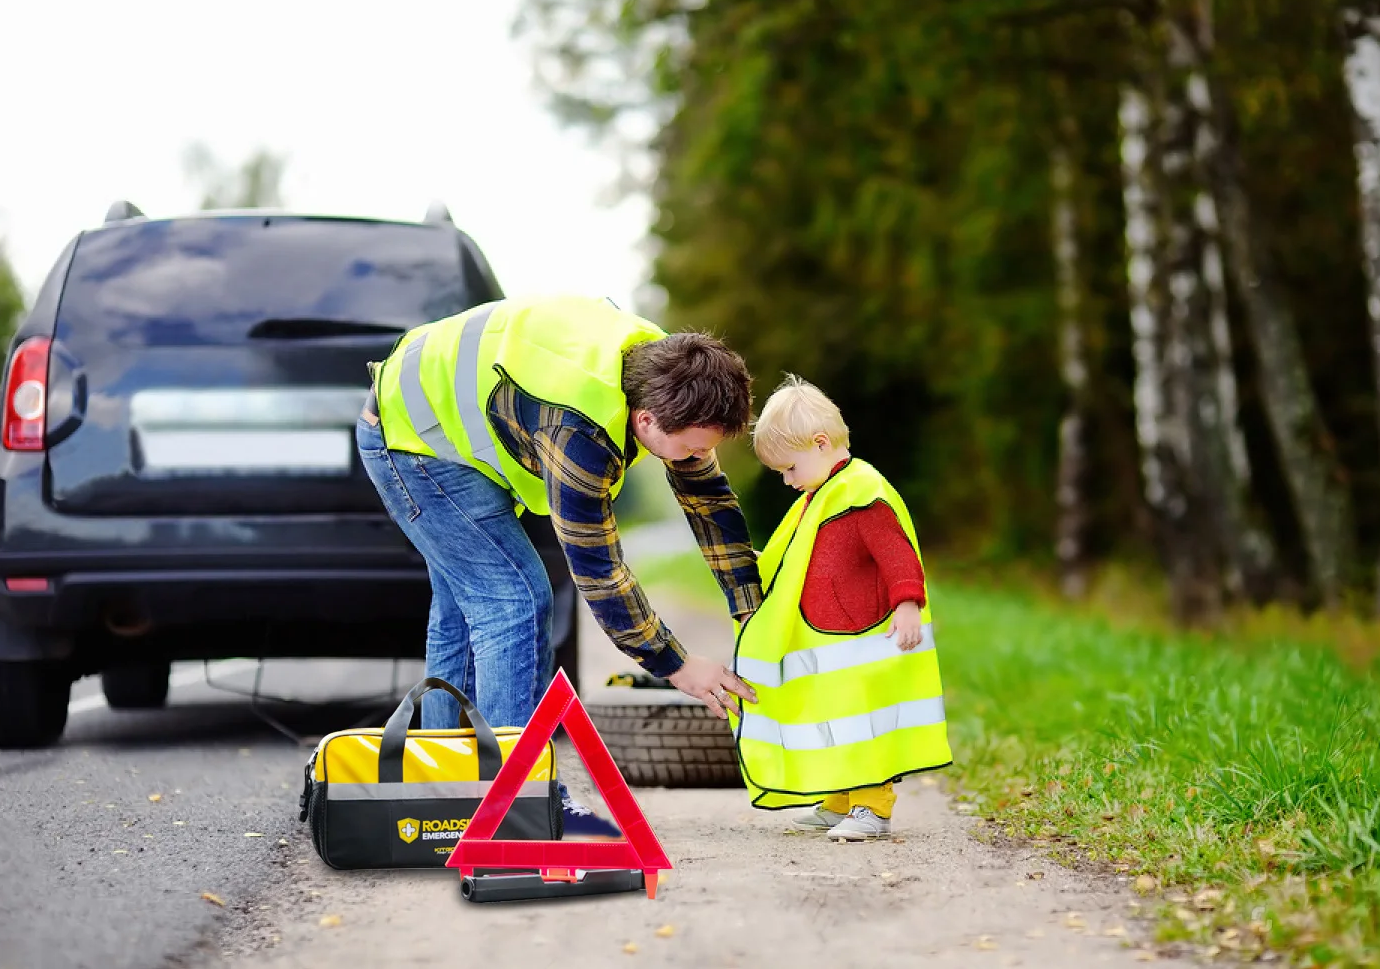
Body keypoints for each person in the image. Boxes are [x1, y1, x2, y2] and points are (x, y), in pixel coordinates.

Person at [356, 293, 761, 835]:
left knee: (462, 606)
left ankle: (445, 795)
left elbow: (709, 501)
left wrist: (751, 612)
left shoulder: (670, 374)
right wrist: (677, 666)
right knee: (514, 598)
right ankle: (514, 804)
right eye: (689, 449)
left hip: (431, 418)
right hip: (411, 437)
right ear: (646, 420)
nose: (694, 460)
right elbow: (598, 569)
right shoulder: (580, 430)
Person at [733, 375, 951, 841]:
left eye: (789, 468)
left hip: (864, 641)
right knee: (835, 722)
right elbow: (787, 557)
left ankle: (873, 809)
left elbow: (897, 553)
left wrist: (908, 602)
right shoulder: (818, 497)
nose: (787, 481)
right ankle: (838, 802)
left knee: (864, 727)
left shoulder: (861, 493)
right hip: (830, 642)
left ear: (820, 443)